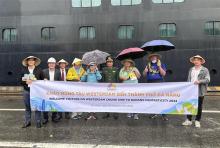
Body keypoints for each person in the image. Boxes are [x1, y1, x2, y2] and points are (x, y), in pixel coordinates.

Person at [182, 55, 210, 128]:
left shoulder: (205, 70)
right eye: (195, 60)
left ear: (201, 61)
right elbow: (189, 80)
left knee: (199, 106)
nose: (196, 61)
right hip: (191, 90)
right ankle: (189, 120)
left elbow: (207, 79)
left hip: (200, 90)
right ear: (193, 61)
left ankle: (197, 120)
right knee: (189, 105)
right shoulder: (191, 69)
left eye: (198, 60)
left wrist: (199, 81)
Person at [143, 53, 168, 121]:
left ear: (157, 58)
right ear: (150, 58)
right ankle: (154, 113)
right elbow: (144, 75)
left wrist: (159, 67)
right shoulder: (148, 65)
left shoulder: (161, 64)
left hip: (159, 82)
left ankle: (164, 115)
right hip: (150, 83)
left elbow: (163, 74)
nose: (153, 58)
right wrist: (145, 71)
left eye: (155, 57)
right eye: (152, 57)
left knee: (161, 99)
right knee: (152, 99)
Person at [21, 56, 44, 128]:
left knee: (37, 107)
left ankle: (38, 122)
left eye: (32, 60)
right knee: (28, 107)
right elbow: (20, 81)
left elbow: (43, 80)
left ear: (34, 62)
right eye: (29, 60)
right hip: (27, 91)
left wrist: (44, 80)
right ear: (27, 62)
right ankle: (27, 122)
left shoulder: (39, 70)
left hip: (36, 92)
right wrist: (25, 82)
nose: (31, 61)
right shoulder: (23, 70)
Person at [42, 57, 62, 124]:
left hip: (54, 91)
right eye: (50, 63)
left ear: (55, 64)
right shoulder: (44, 71)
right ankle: (45, 118)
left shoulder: (58, 72)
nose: (51, 64)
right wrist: (43, 80)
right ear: (48, 64)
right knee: (46, 105)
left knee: (54, 105)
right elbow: (39, 81)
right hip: (46, 91)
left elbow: (60, 82)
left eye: (53, 63)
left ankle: (54, 117)